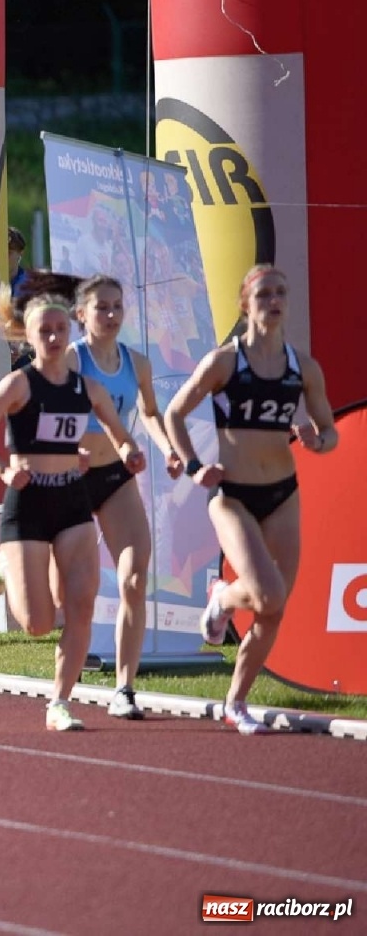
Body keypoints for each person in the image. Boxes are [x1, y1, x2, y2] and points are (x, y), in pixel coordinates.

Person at [0, 286, 143, 731]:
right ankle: (2, 565)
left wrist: (130, 452)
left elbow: (121, 435)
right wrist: (3, 472)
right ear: (30, 337)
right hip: (29, 505)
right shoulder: (19, 384)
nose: (56, 338)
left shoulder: (88, 387)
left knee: (81, 604)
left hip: (71, 502)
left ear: (71, 330)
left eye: (62, 329)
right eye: (46, 331)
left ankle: (59, 702)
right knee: (39, 623)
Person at [165, 264, 338, 736]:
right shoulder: (225, 362)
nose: (274, 300)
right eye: (264, 294)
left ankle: (236, 701)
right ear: (246, 304)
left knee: (274, 609)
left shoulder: (303, 367)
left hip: (282, 493)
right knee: (266, 593)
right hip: (233, 495)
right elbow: (175, 412)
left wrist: (314, 439)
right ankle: (222, 596)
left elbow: (330, 435)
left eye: (281, 292)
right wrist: (196, 467)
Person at [64, 275, 183, 719]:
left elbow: (149, 412)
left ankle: (124, 689)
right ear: (82, 315)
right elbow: (47, 410)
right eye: (101, 308)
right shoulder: (72, 361)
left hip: (115, 477)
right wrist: (65, 449)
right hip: (70, 479)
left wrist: (168, 448)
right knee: (75, 591)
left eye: (117, 307)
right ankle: (68, 662)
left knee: (135, 579)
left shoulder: (138, 363)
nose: (111, 315)